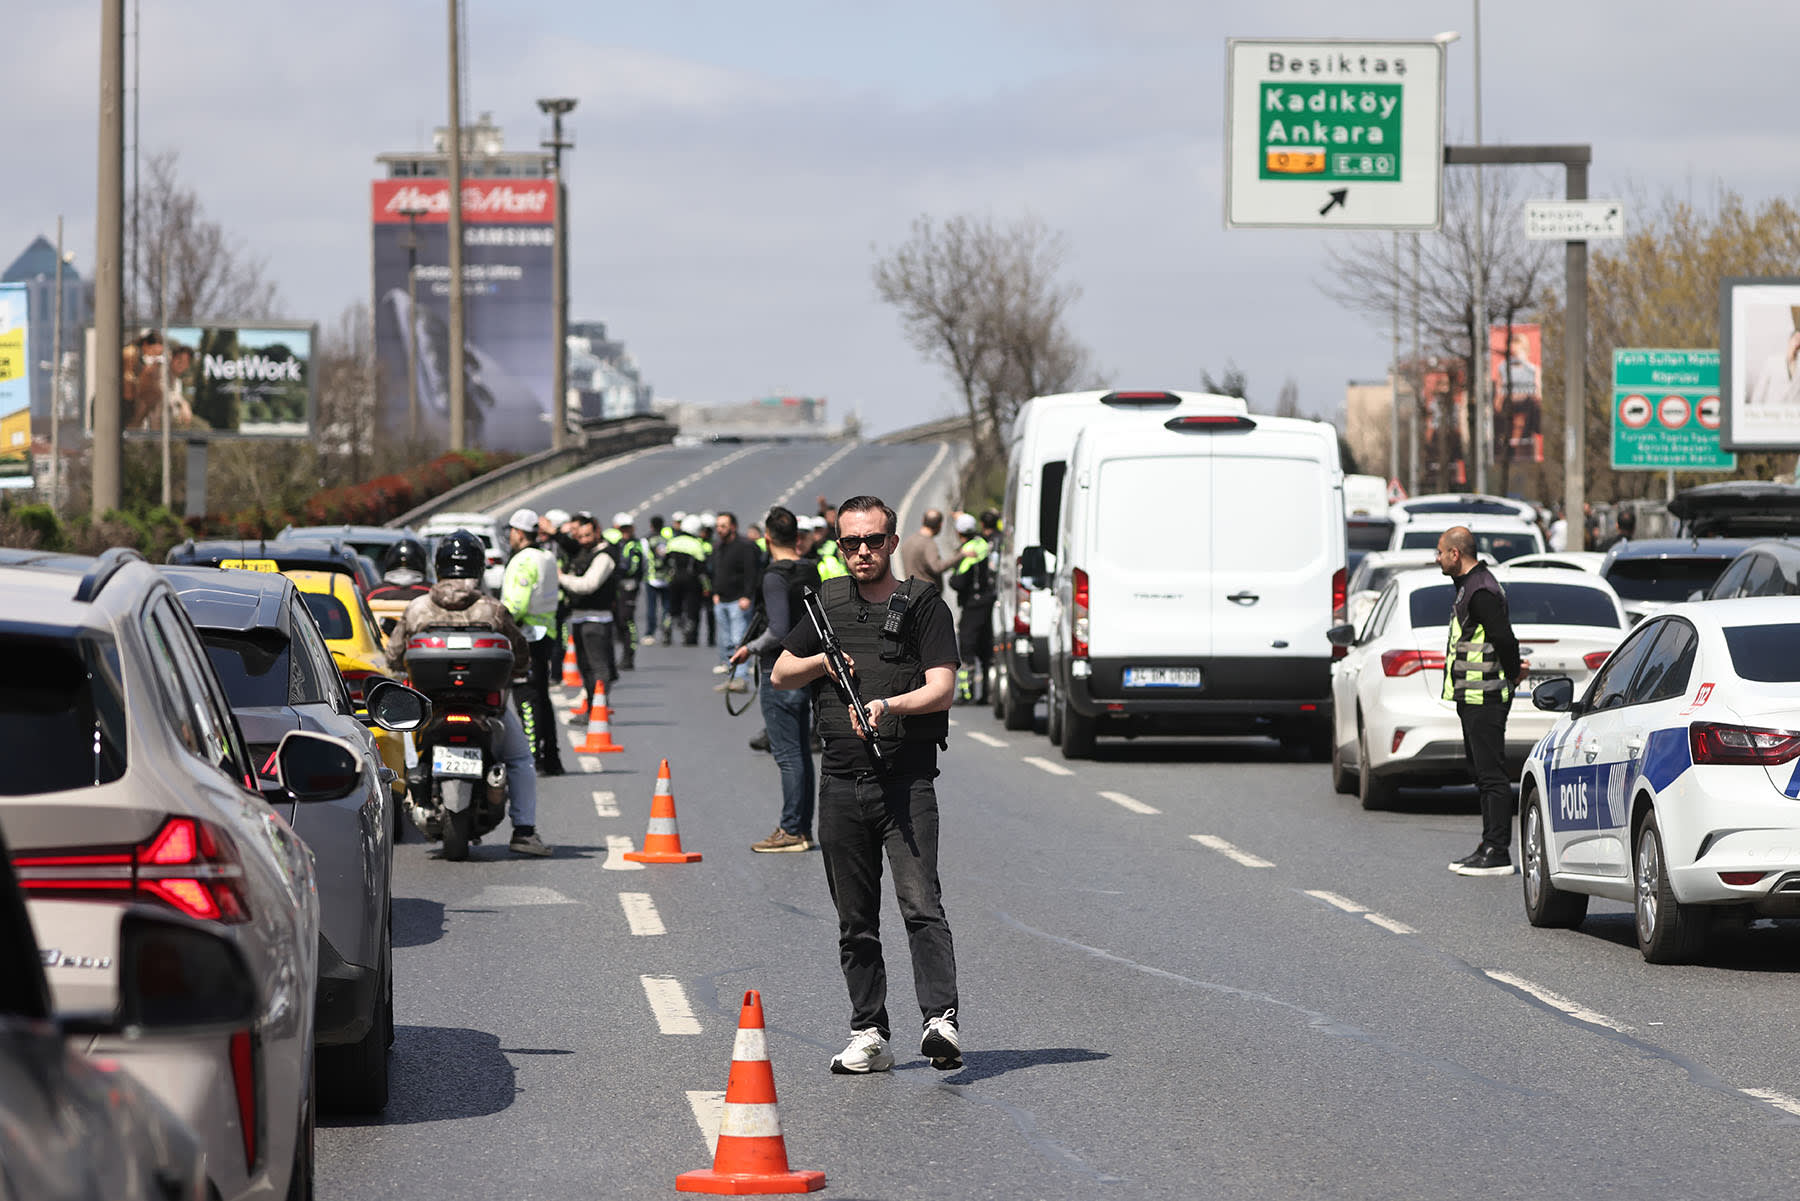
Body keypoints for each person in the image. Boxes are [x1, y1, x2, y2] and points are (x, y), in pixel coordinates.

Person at [771, 493, 963, 1075]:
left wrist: (888, 704)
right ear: (837, 546)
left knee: (921, 904)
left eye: (873, 540)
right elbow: (781, 672)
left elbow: (943, 686)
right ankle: (869, 1032)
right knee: (855, 919)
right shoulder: (826, 602)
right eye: (850, 542)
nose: (862, 552)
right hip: (841, 779)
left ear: (893, 542)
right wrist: (823, 665)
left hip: (906, 782)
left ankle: (940, 1021)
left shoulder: (924, 605)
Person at [385, 530, 550, 856]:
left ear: (439, 566)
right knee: (519, 759)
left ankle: (414, 795)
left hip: (430, 708)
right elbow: (520, 653)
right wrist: (518, 671)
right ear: (478, 566)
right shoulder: (493, 609)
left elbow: (393, 655)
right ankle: (524, 832)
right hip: (488, 709)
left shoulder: (417, 608)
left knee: (406, 746)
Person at [730, 506, 822, 851]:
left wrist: (749, 649)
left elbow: (778, 629)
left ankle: (791, 830)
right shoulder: (810, 570)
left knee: (787, 755)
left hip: (778, 672)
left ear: (768, 538)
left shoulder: (774, 575)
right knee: (800, 753)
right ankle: (803, 829)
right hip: (806, 669)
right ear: (797, 537)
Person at [1438, 526, 1523, 877]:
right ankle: (1487, 843)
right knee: (1481, 773)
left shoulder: (1481, 590)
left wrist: (1514, 671)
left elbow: (1504, 636)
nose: (1437, 558)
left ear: (1456, 554)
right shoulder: (1470, 587)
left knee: (1492, 776)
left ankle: (1497, 850)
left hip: (1485, 696)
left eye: (1441, 552)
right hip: (1472, 695)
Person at [500, 508, 564, 776]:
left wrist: (498, 621)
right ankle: (551, 756)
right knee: (542, 697)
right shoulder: (547, 557)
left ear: (517, 532)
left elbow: (517, 603)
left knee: (526, 697)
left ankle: (531, 755)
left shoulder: (523, 560)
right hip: (545, 633)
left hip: (526, 636)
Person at [559, 514, 619, 718]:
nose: (583, 540)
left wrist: (562, 578)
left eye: (587, 535)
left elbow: (588, 585)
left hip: (596, 620)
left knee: (598, 667)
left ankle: (598, 710)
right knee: (585, 668)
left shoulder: (605, 556)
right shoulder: (585, 552)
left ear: (597, 531)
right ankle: (592, 707)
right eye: (580, 536)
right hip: (579, 617)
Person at [948, 513, 995, 705]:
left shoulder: (968, 551)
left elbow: (959, 581)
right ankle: (986, 693)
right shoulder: (983, 545)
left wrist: (952, 577)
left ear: (959, 533)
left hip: (972, 605)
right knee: (985, 649)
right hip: (987, 602)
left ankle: (966, 693)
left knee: (967, 649)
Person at [710, 511, 761, 673]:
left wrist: (747, 596)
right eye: (718, 526)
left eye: (723, 526)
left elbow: (752, 573)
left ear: (733, 527)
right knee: (725, 638)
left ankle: (740, 674)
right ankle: (729, 665)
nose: (719, 529)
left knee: (738, 638)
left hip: (738, 601)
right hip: (721, 600)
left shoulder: (745, 546)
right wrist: (715, 593)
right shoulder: (718, 547)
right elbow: (716, 571)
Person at [603, 512, 648, 669]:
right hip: (614, 587)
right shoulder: (612, 542)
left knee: (626, 620)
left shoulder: (634, 545)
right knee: (615, 622)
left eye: (628, 528)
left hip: (628, 586)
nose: (626, 531)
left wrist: (619, 570)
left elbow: (632, 567)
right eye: (622, 528)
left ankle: (629, 657)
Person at [663, 515, 711, 645]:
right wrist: (707, 587)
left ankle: (667, 630)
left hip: (674, 579)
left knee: (673, 608)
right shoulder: (696, 544)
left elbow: (666, 562)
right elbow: (702, 569)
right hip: (691, 581)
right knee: (691, 609)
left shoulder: (673, 542)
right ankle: (689, 636)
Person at [900, 509, 955, 588]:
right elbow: (937, 567)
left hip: (911, 589)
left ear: (923, 521)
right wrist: (960, 556)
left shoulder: (909, 541)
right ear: (940, 525)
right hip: (926, 594)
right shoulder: (929, 544)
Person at [644, 514, 671, 646]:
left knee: (652, 607)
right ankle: (666, 629)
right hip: (665, 579)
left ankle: (650, 633)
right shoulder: (666, 540)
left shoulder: (648, 540)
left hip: (652, 578)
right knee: (666, 607)